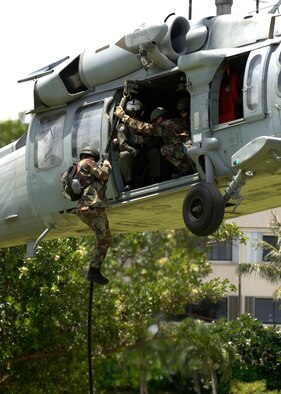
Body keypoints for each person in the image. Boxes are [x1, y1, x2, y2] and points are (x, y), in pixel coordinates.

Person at [114, 105, 191, 178]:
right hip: (189, 148)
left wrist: (125, 117)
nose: (155, 123)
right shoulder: (177, 121)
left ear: (161, 117)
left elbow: (144, 127)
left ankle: (185, 169)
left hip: (185, 150)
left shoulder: (166, 126)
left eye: (156, 120)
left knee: (164, 150)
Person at [76, 146, 112, 285]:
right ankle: (93, 270)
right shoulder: (87, 162)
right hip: (91, 206)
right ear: (91, 156)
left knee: (103, 238)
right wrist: (107, 163)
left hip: (85, 207)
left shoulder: (80, 167)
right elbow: (104, 175)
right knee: (105, 239)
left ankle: (94, 269)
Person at [114, 99, 162, 190]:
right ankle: (129, 182)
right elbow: (122, 145)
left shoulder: (144, 125)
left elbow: (153, 142)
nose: (134, 117)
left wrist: (146, 139)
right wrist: (133, 150)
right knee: (124, 155)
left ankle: (155, 178)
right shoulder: (124, 127)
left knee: (155, 151)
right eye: (131, 115)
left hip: (144, 153)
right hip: (133, 155)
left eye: (136, 114)